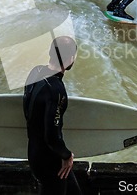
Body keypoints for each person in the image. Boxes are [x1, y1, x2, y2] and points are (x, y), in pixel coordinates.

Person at [23, 36, 82, 195]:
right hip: (49, 160)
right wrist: (67, 155)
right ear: (70, 59)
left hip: (34, 152)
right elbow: (51, 135)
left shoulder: (35, 72)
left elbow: (28, 111)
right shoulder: (56, 90)